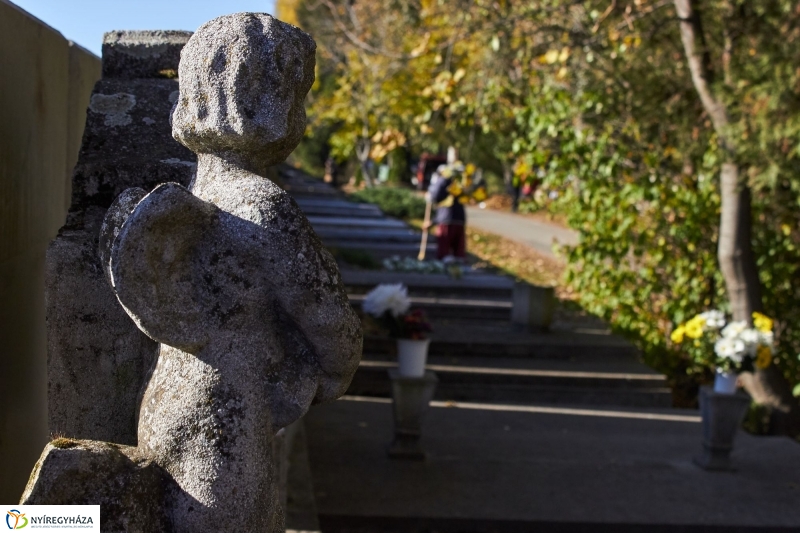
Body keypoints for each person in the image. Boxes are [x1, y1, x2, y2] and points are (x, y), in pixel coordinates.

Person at [425, 163, 467, 260]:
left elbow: (435, 196)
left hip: (446, 220)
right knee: (458, 252)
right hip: (459, 219)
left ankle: (449, 269)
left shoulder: (443, 180)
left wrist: (433, 221)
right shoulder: (459, 181)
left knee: (444, 250)